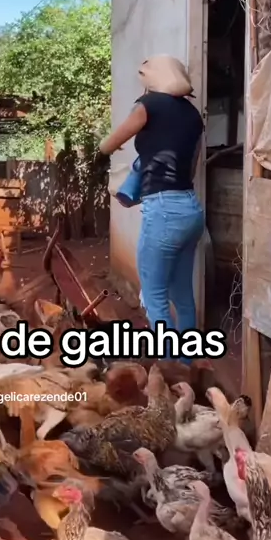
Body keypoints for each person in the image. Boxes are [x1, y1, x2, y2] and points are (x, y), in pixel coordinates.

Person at [99, 55, 205, 356]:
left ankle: (170, 366)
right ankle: (187, 363)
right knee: (182, 296)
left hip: (163, 212)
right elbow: (191, 167)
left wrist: (102, 152)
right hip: (191, 210)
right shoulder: (194, 115)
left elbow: (110, 143)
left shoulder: (149, 105)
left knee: (155, 298)